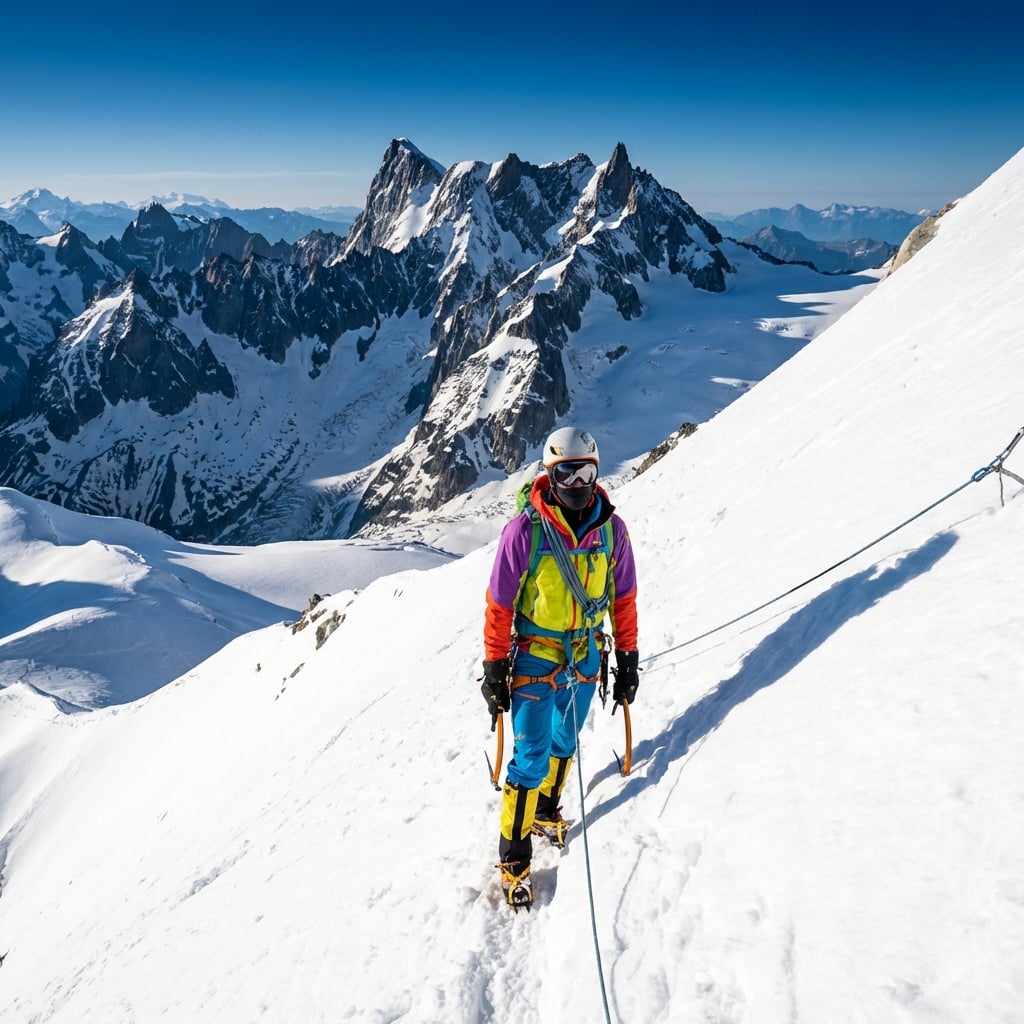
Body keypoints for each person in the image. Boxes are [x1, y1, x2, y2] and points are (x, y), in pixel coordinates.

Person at [481, 426, 640, 909]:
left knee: (565, 739)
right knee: (530, 755)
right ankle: (514, 858)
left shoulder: (612, 531)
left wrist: (628, 656)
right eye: (566, 472)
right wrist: (494, 667)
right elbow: (499, 605)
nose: (576, 482)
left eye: (586, 471)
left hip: (587, 653)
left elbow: (624, 598)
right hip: (535, 654)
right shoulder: (524, 532)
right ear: (549, 475)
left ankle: (547, 809)